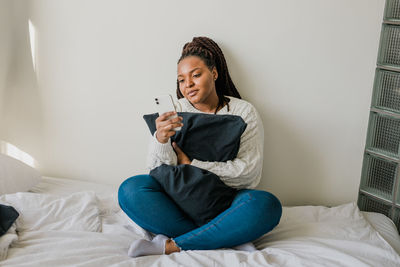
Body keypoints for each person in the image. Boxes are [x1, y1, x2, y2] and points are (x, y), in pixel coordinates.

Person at [118, 36, 282, 257]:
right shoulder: (174, 111)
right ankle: (225, 237)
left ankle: (174, 245)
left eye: (196, 75)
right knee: (130, 189)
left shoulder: (243, 112)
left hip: (226, 203)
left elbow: (249, 175)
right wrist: (160, 140)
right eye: (181, 80)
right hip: (179, 202)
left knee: (265, 205)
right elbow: (157, 171)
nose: (189, 85)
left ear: (214, 74)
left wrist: (191, 164)